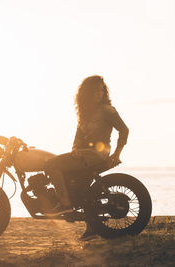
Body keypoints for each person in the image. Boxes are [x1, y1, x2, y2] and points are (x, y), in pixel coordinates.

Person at [44, 75, 129, 240]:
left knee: (51, 164)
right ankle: (92, 229)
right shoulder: (84, 114)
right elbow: (78, 138)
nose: (100, 94)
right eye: (96, 91)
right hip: (83, 154)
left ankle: (64, 204)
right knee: (81, 188)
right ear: (87, 93)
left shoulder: (107, 110)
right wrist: (75, 149)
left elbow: (124, 130)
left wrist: (117, 153)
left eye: (102, 91)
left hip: (98, 154)